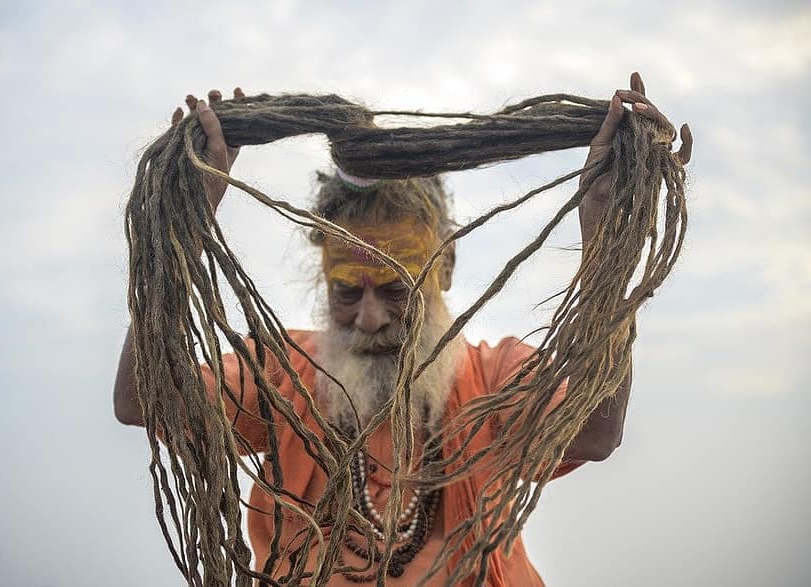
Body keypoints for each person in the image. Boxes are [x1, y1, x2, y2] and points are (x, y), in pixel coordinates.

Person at [114, 73, 692, 586]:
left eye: (396, 289)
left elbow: (594, 432)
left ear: (443, 268)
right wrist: (181, 231)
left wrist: (606, 242)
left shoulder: (495, 377)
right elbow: (144, 401)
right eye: (348, 291)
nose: (369, 318)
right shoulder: (280, 374)